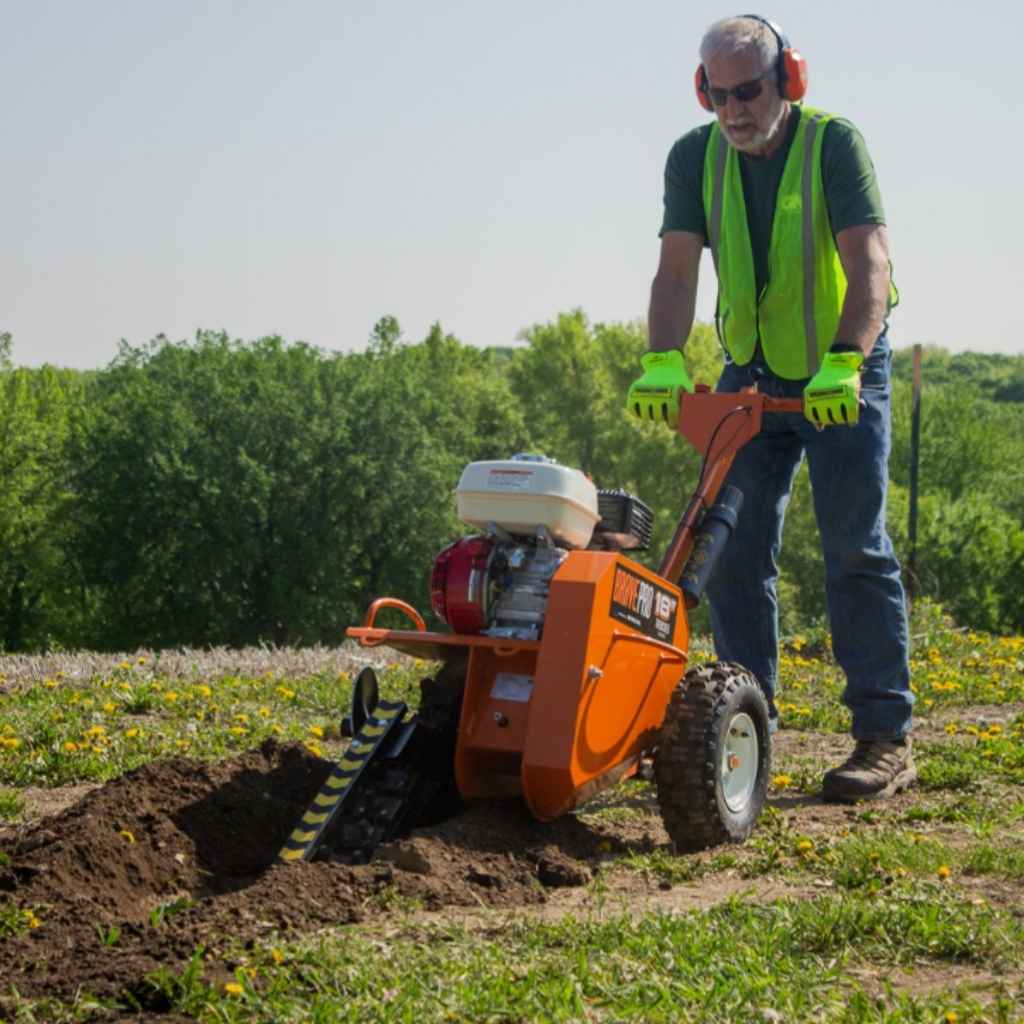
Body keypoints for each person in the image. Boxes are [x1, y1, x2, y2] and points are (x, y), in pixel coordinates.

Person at [627, 14, 915, 803]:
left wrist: (848, 361)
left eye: (747, 92)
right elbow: (677, 272)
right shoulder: (694, 157)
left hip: (837, 372)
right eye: (716, 96)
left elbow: (871, 263)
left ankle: (884, 737)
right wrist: (661, 357)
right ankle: (747, 730)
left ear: (789, 78)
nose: (733, 110)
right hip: (749, 374)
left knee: (854, 546)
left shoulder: (832, 144)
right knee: (734, 555)